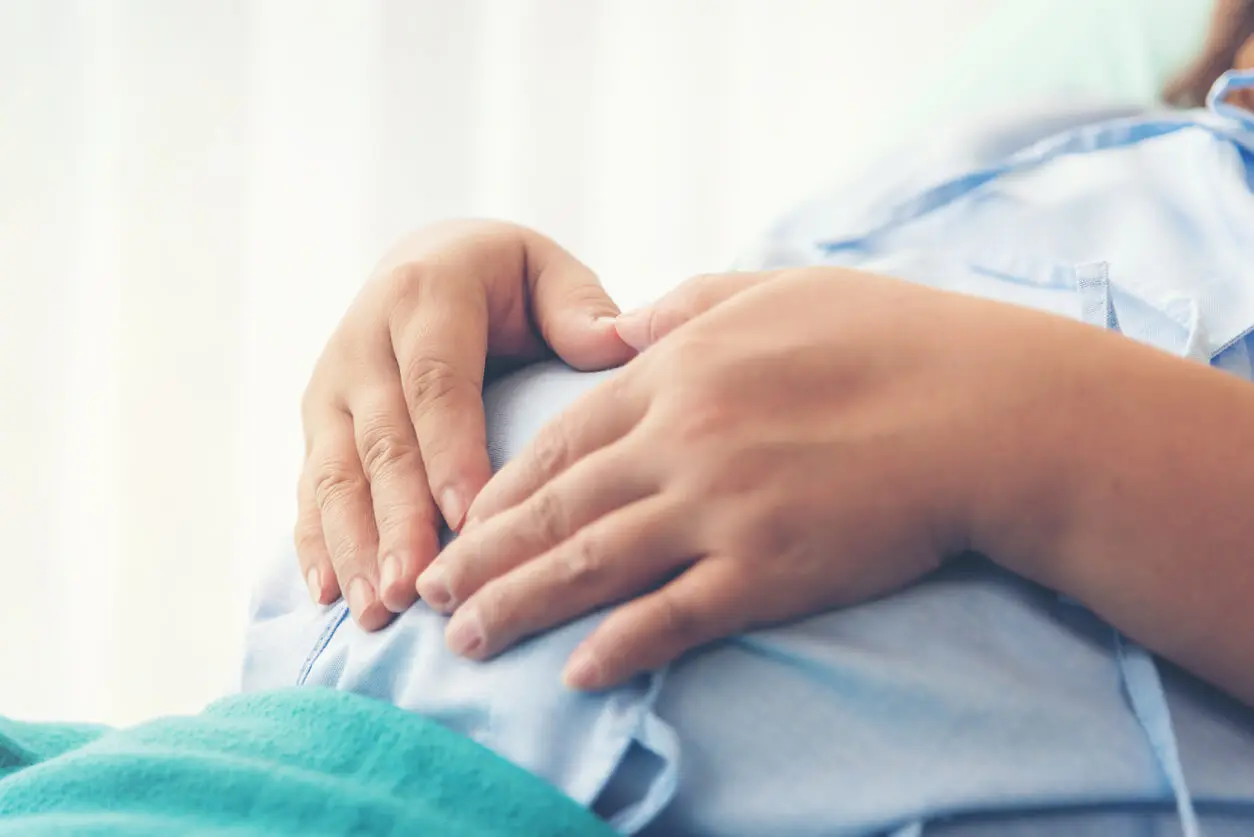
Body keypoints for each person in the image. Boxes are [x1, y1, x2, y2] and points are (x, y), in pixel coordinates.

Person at [245, 66, 1254, 837]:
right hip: (243, 759)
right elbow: (754, 426)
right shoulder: (1012, 145)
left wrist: (1019, 420)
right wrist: (514, 348)